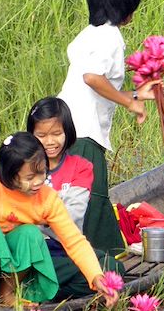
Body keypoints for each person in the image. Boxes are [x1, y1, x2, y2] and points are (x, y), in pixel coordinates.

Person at [0, 132, 119, 307]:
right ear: (9, 177)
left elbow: (73, 240)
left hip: (4, 265)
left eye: (42, 173)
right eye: (29, 177)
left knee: (30, 233)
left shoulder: (46, 198)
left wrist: (96, 276)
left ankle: (5, 292)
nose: (38, 182)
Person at [57, 0, 160, 255]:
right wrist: (130, 103)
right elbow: (93, 78)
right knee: (92, 196)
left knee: (70, 194)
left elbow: (93, 86)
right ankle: (103, 260)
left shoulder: (89, 35)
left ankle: (76, 254)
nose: (133, 16)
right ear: (122, 11)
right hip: (84, 133)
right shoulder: (111, 38)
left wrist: (138, 94)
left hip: (66, 124)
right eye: (131, 9)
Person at [26, 96, 125, 300]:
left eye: (56, 134)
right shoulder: (24, 167)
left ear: (67, 132)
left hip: (68, 247)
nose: (50, 142)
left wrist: (37, 216)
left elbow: (71, 217)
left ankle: (37, 288)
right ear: (32, 136)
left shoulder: (81, 167)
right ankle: (41, 283)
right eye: (41, 135)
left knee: (114, 269)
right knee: (34, 261)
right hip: (33, 249)